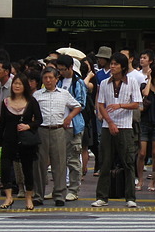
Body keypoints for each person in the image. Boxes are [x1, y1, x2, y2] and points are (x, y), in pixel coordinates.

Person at [91, 52, 142, 208]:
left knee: (128, 162)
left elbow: (137, 104)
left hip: (126, 126)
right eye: (111, 64)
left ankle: (130, 197)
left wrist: (120, 105)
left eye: (115, 64)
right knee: (105, 162)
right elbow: (101, 104)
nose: (112, 67)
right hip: (108, 126)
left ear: (123, 67)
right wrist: (110, 121)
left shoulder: (132, 82)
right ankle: (102, 197)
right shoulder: (105, 83)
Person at [33, 66, 82, 207]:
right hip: (41, 130)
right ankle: (38, 195)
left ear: (56, 79)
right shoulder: (37, 95)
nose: (48, 80)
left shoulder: (64, 94)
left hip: (58, 130)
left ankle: (60, 195)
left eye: (51, 78)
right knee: (40, 164)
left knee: (59, 164)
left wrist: (69, 118)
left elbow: (77, 106)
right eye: (45, 78)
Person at [0, 73, 42, 211]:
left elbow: (39, 120)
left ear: (25, 86)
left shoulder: (31, 101)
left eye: (20, 84)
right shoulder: (6, 102)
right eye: (15, 83)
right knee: (5, 167)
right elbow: (1, 123)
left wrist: (29, 126)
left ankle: (28, 198)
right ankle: (9, 197)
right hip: (9, 139)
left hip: (25, 141)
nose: (17, 86)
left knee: (27, 169)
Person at [55, 54, 87, 201]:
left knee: (73, 159)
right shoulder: (58, 82)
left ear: (70, 68)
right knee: (58, 158)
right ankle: (59, 188)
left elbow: (81, 104)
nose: (60, 72)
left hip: (73, 125)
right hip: (59, 124)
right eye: (59, 69)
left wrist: (69, 115)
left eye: (62, 69)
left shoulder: (78, 83)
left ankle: (74, 189)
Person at [138, 63, 155, 192]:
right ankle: (140, 180)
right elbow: (145, 93)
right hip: (145, 123)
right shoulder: (145, 86)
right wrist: (149, 78)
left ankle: (153, 181)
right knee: (142, 153)